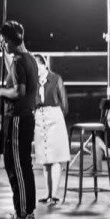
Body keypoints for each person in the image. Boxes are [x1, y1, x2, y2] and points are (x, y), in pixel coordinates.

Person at [0, 20, 38, 219]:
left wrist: (0, 92)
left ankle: (23, 214)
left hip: (17, 118)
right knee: (22, 165)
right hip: (25, 118)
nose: (3, 44)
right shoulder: (29, 59)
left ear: (13, 40)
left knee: (16, 166)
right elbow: (13, 75)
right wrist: (5, 53)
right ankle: (25, 211)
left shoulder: (20, 61)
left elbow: (18, 91)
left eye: (5, 41)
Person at [32, 54, 69, 204]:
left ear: (43, 64)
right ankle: (47, 193)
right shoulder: (33, 81)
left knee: (55, 158)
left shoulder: (55, 78)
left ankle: (53, 194)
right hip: (39, 117)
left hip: (54, 116)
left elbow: (64, 103)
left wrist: (57, 116)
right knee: (45, 158)